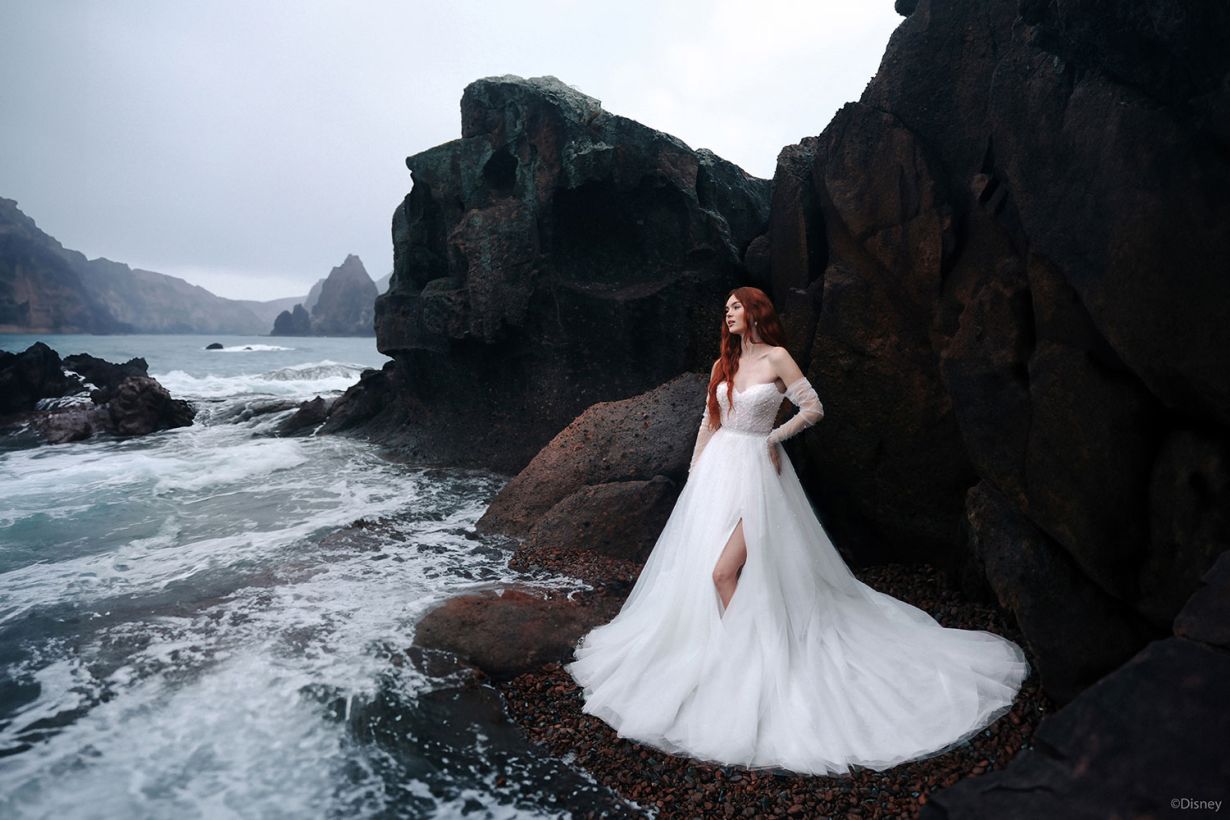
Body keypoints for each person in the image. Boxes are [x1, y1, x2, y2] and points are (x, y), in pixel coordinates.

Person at [565, 286, 1030, 776]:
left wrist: (774, 436)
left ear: (756, 311)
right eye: (726, 308)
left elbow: (814, 408)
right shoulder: (722, 365)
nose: (728, 312)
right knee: (706, 569)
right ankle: (732, 650)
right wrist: (693, 476)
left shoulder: (778, 358)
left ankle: (749, 662)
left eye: (736, 305)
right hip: (715, 473)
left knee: (723, 572)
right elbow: (708, 423)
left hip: (759, 473)